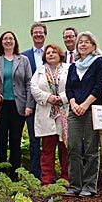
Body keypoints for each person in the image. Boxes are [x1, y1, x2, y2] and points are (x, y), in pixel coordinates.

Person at [65, 31, 102, 197]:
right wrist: (74, 104)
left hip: (92, 109)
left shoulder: (99, 62)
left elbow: (100, 85)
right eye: (80, 42)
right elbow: (68, 88)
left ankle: (89, 186)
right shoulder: (73, 66)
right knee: (73, 148)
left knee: (91, 149)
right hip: (74, 111)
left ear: (93, 46)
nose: (83, 44)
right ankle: (74, 186)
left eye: (87, 42)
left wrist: (85, 105)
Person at [0, 31, 34, 180]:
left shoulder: (23, 60)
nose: (8, 41)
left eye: (11, 38)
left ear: (15, 42)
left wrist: (29, 105)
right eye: (5, 38)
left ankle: (15, 175)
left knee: (15, 141)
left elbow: (29, 83)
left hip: (19, 106)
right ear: (1, 42)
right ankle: (0, 175)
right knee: (1, 140)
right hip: (1, 106)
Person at [31, 43, 69, 185]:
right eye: (48, 53)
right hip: (46, 113)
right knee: (47, 149)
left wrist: (62, 98)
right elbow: (33, 87)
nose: (51, 54)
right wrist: (48, 98)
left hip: (64, 112)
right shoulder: (39, 71)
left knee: (65, 148)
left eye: (54, 52)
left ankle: (66, 178)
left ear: (60, 55)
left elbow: (74, 85)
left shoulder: (68, 69)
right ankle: (47, 180)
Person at [21, 22, 46, 179]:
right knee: (34, 140)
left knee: (50, 140)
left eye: (41, 32)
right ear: (32, 35)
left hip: (49, 104)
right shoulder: (24, 57)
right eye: (35, 32)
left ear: (45, 35)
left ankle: (48, 173)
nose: (38, 35)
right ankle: (36, 174)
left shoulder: (51, 54)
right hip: (31, 105)